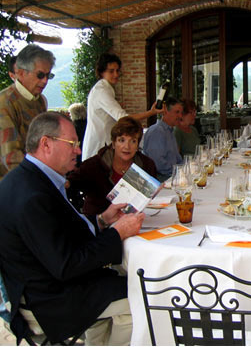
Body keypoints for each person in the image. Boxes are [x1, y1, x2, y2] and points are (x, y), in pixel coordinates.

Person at [0, 112, 145, 345]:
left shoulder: (30, 178)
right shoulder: (32, 196)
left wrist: (102, 220)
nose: (78, 150)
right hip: (49, 300)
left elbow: (59, 232)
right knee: (145, 295)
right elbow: (66, 265)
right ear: (46, 144)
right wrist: (118, 233)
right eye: (72, 144)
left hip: (51, 283)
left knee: (128, 278)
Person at [67, 116, 157, 216]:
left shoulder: (146, 165)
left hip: (135, 221)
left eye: (133, 141)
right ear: (113, 143)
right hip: (99, 224)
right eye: (121, 140)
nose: (127, 147)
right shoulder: (95, 165)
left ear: (137, 145)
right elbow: (69, 184)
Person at [81, 53, 163, 161]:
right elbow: (123, 118)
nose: (116, 74)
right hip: (99, 145)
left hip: (105, 143)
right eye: (111, 71)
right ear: (102, 72)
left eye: (117, 70)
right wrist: (151, 112)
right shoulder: (101, 91)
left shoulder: (106, 88)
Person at [0, 44, 54, 179]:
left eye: (49, 75)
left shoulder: (39, 100)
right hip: (11, 184)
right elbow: (11, 156)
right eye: (40, 75)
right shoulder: (5, 103)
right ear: (22, 73)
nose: (45, 81)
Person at [143, 97, 183, 182]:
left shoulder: (169, 131)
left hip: (172, 177)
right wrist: (179, 173)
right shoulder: (157, 132)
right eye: (177, 112)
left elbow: (177, 158)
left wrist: (185, 170)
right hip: (162, 181)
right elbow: (158, 164)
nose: (180, 116)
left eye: (181, 113)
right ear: (165, 112)